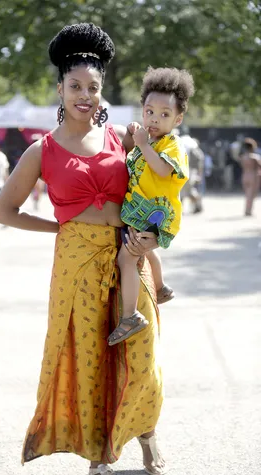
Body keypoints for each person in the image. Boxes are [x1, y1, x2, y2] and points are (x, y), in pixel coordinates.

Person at [0, 23, 165, 475]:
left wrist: (154, 233)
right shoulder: (41, 150)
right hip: (77, 262)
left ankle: (146, 435)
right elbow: (4, 211)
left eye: (93, 87)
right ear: (60, 90)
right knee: (87, 354)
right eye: (75, 87)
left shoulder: (120, 140)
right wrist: (60, 229)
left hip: (128, 254)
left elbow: (157, 188)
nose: (84, 95)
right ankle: (96, 454)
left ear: (101, 92)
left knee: (142, 352)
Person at [107, 67, 194, 346]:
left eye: (164, 114)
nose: (154, 119)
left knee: (127, 258)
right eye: (149, 111)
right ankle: (160, 286)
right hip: (141, 211)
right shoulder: (150, 140)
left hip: (154, 214)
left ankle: (130, 315)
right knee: (141, 250)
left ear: (178, 118)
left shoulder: (171, 145)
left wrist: (143, 144)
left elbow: (162, 171)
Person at [239, 137, 261, 216]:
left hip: (245, 175)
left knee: (247, 194)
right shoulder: (255, 157)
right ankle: (248, 210)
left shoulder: (242, 157)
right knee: (251, 194)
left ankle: (248, 209)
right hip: (253, 176)